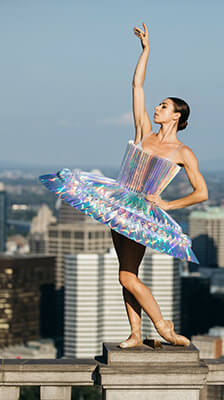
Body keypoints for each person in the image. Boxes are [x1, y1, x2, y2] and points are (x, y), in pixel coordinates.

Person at [39, 22, 208, 349]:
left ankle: (163, 326)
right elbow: (136, 85)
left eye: (164, 106)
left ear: (176, 117)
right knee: (126, 272)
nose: (157, 108)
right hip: (118, 205)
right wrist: (145, 51)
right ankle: (134, 332)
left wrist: (167, 205)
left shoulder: (182, 152)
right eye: (158, 104)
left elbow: (202, 193)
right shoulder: (143, 131)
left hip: (142, 213)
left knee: (126, 276)